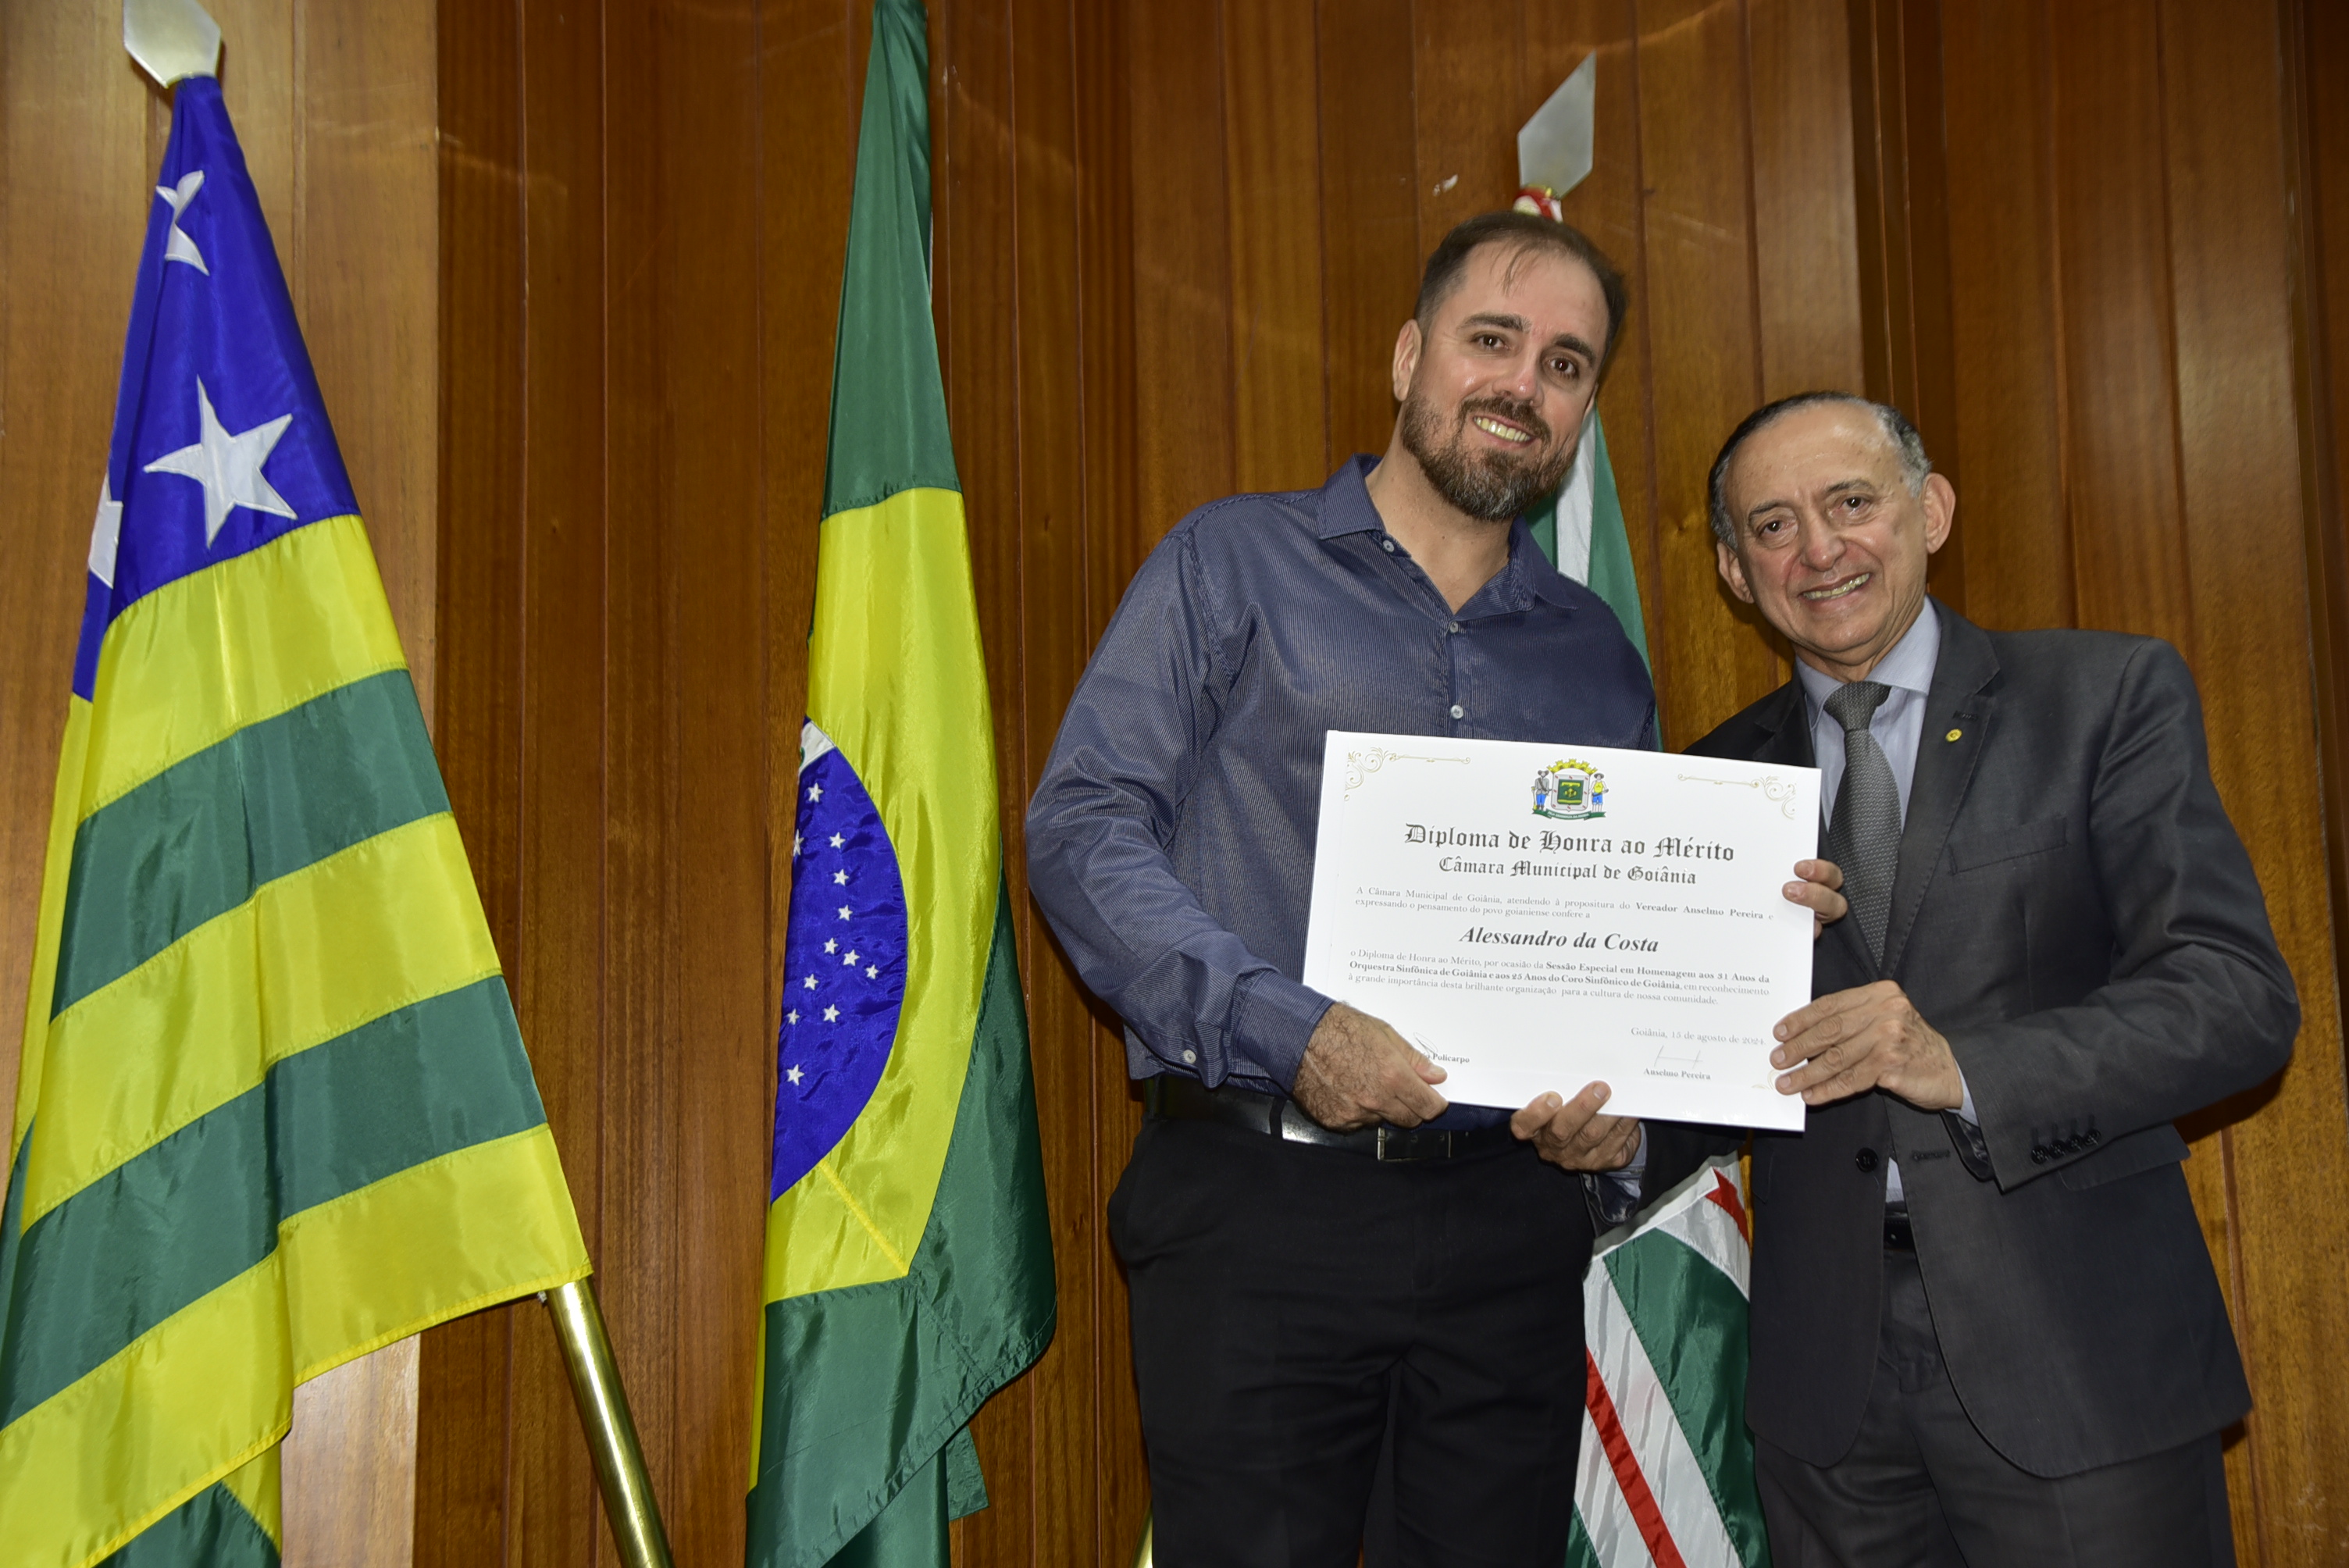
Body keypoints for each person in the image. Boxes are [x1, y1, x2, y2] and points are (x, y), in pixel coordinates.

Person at [1025, 212, 1842, 1566]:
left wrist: (1658, 1060)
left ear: (1583, 411)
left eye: (1566, 365)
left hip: (1508, 1229)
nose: (1524, 384)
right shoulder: (1233, 562)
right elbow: (1083, 826)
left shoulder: (1597, 657)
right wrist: (1293, 1030)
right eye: (1492, 340)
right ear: (1411, 357)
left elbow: (1616, 940)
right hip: (1260, 1202)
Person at [1636, 391, 2298, 1566]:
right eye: (1774, 526)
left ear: (1930, 510)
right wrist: (1619, 1136)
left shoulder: (2102, 698)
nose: (1820, 549)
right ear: (1736, 572)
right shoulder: (1711, 784)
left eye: (1851, 502)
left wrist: (1962, 1067)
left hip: (2078, 1355)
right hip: (1826, 1396)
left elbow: (2234, 997)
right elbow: (1710, 1063)